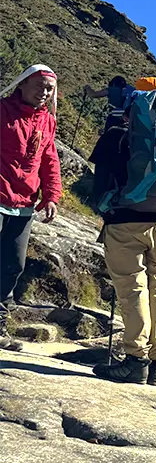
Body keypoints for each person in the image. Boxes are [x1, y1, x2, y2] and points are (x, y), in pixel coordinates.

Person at [92, 78, 156, 386]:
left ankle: (135, 361)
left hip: (125, 225)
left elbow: (98, 189)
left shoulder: (116, 136)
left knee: (133, 291)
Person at [0, 65, 61, 329]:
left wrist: (51, 196)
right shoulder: (2, 110)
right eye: (40, 86)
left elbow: (49, 160)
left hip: (24, 204)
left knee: (14, 264)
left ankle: (0, 320)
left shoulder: (47, 121)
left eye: (49, 89)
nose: (44, 92)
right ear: (22, 84)